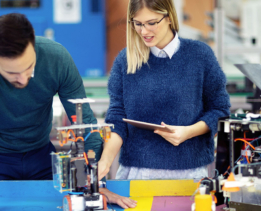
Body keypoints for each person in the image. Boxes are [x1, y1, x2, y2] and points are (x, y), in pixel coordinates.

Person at [0, 13, 136, 211]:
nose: (23, 80)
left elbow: (85, 124)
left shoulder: (56, 58)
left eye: (29, 68)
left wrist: (96, 185)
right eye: (12, 74)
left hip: (42, 156)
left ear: (33, 45)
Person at [98, 0, 231, 181]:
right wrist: (105, 160)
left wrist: (188, 132)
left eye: (151, 23)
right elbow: (117, 117)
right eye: (138, 24)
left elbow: (220, 110)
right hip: (135, 174)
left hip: (189, 174)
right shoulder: (125, 60)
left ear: (168, 17)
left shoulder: (200, 55)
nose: (144, 31)